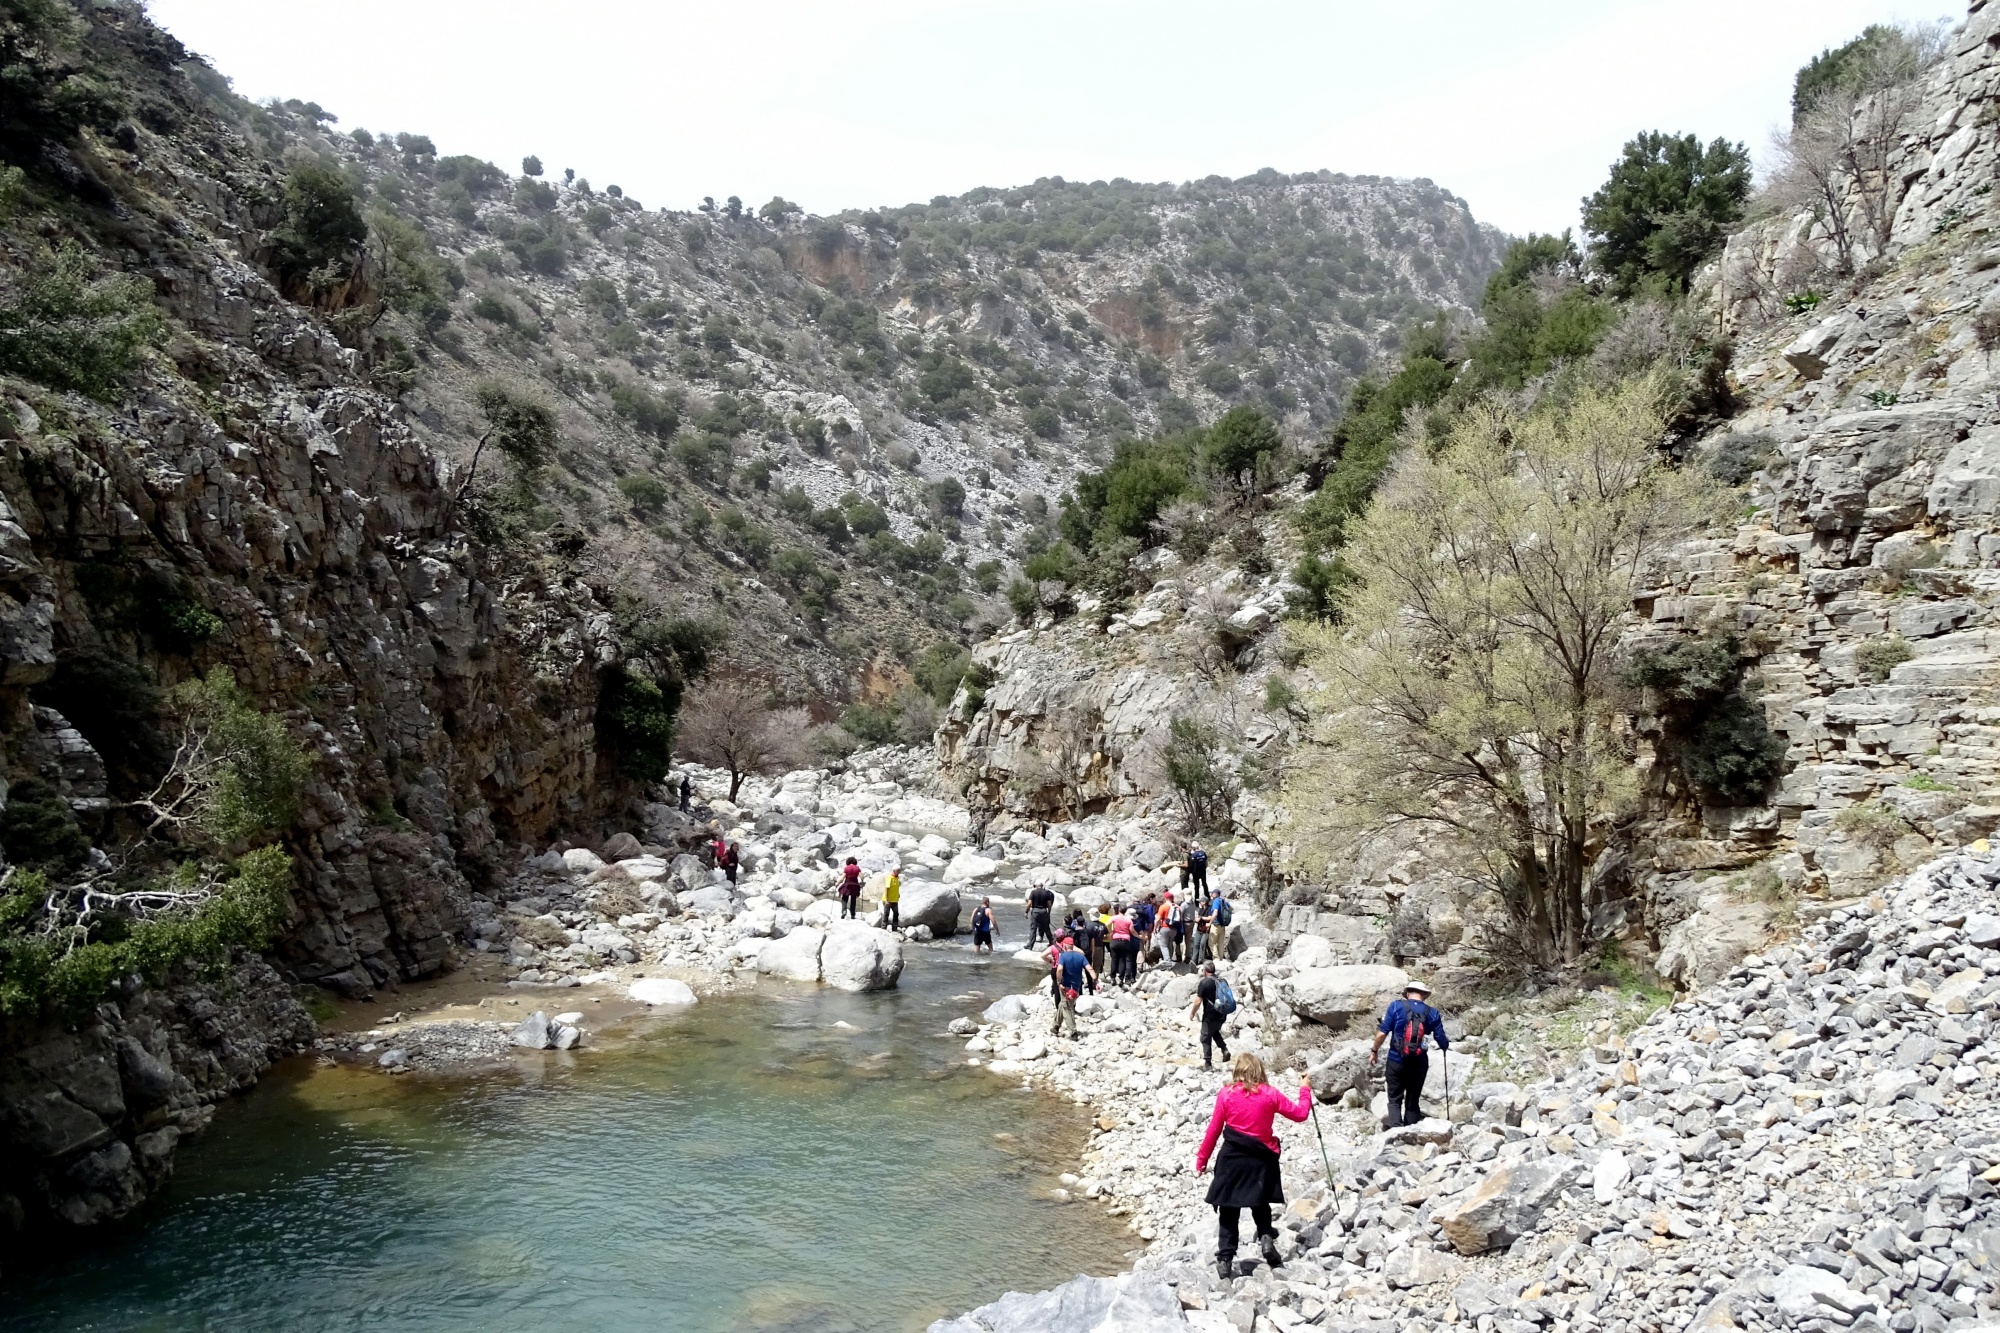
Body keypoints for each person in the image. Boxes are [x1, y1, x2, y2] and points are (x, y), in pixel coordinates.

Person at [1196, 1053, 1313, 1280]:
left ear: (1237, 1071)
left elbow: (1214, 1130)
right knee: (1260, 1203)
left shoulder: (1226, 1095)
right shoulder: (1270, 1094)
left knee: (1228, 1210)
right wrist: (1305, 1089)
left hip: (1232, 1159)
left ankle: (1225, 1260)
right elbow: (1301, 1114)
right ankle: (1266, 1239)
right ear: (1260, 1070)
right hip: (1261, 1158)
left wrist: (1202, 1160)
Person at [1370, 980, 1449, 1129]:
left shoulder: (1396, 1006)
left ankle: (1396, 1133)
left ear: (1407, 993)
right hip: (1419, 1063)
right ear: (1424, 995)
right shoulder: (1432, 1013)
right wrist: (1445, 1047)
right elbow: (1441, 1039)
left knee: (1394, 1099)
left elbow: (1382, 1034)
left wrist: (1374, 1051)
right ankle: (1411, 1133)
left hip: (1396, 1060)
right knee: (1413, 1101)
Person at [1050, 936, 1097, 1039]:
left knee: (1067, 1008)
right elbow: (1089, 968)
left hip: (1065, 986)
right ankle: (1055, 1026)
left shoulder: (1063, 956)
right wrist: (1095, 981)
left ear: (1065, 946)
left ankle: (1073, 1032)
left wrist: (1058, 982)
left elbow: (1059, 969)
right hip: (1076, 986)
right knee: (1064, 1004)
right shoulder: (1081, 956)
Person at [1189, 961, 1232, 1069]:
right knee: (1214, 1031)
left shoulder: (1204, 983)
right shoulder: (1222, 980)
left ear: (1204, 971)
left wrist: (1192, 1013)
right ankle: (1224, 1050)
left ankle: (1208, 1063)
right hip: (1222, 1013)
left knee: (1205, 1037)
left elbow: (1198, 1001)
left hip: (1210, 1014)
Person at [1108, 906, 1135, 987]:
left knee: (1114, 959)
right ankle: (1120, 978)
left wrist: (1111, 932)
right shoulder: (1128, 919)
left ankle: (1112, 977)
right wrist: (1138, 936)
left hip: (1115, 939)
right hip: (1125, 940)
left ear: (1119, 910)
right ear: (1125, 911)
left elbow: (1106, 925)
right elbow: (1132, 930)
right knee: (1122, 959)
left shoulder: (1114, 917)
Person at [1207, 890, 1231, 965]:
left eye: (1212, 893)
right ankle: (1221, 958)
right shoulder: (1223, 901)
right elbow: (1231, 909)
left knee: (1211, 942)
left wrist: (1210, 922)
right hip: (1223, 925)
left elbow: (1215, 913)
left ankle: (1216, 959)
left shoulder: (1216, 901)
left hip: (1216, 924)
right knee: (1220, 942)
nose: (1211, 894)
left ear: (1215, 894)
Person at [1176, 895, 1200, 966]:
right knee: (1188, 941)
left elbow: (1180, 914)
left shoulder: (1184, 905)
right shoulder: (1193, 905)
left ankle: (1178, 955)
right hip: (1191, 923)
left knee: (1178, 940)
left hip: (1184, 923)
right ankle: (1188, 956)